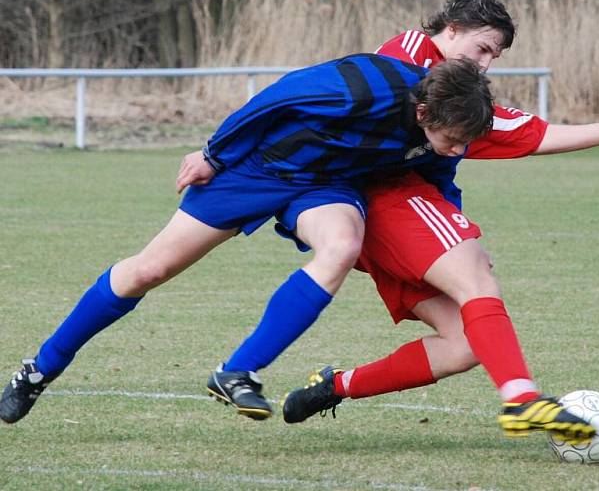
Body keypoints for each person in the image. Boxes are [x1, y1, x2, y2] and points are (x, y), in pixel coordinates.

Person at [0, 54, 495, 425]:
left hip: (325, 188)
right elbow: (280, 96)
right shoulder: (369, 86)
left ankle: (238, 372)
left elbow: (439, 187)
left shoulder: (439, 138)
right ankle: (40, 369)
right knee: (147, 271)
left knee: (341, 247)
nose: (458, 149)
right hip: (256, 170)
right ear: (426, 109)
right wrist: (214, 154)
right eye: (454, 139)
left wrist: (452, 240)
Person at [282, 0, 599, 442]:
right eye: (482, 48)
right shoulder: (408, 56)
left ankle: (335, 386)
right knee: (475, 273)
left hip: (387, 214)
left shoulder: (452, 92)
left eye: (494, 56)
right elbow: (406, 96)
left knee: (463, 344)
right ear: (452, 29)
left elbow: (518, 130)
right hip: (387, 199)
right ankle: (522, 400)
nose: (485, 63)